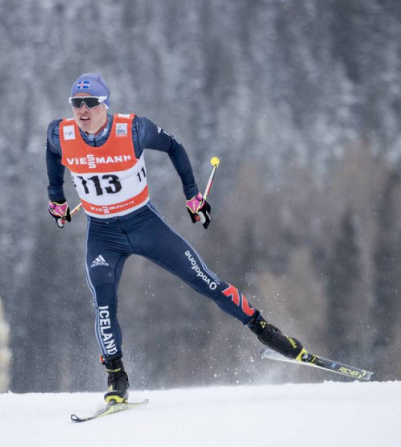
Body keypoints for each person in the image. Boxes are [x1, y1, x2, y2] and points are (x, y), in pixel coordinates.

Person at [45, 73, 304, 403]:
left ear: (105, 105)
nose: (82, 110)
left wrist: (193, 196)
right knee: (104, 304)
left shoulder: (132, 129)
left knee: (205, 282)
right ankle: (116, 376)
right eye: (76, 104)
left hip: (144, 225)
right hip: (103, 235)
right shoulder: (61, 133)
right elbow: (51, 155)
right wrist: (56, 198)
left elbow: (173, 146)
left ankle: (265, 331)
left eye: (90, 103)